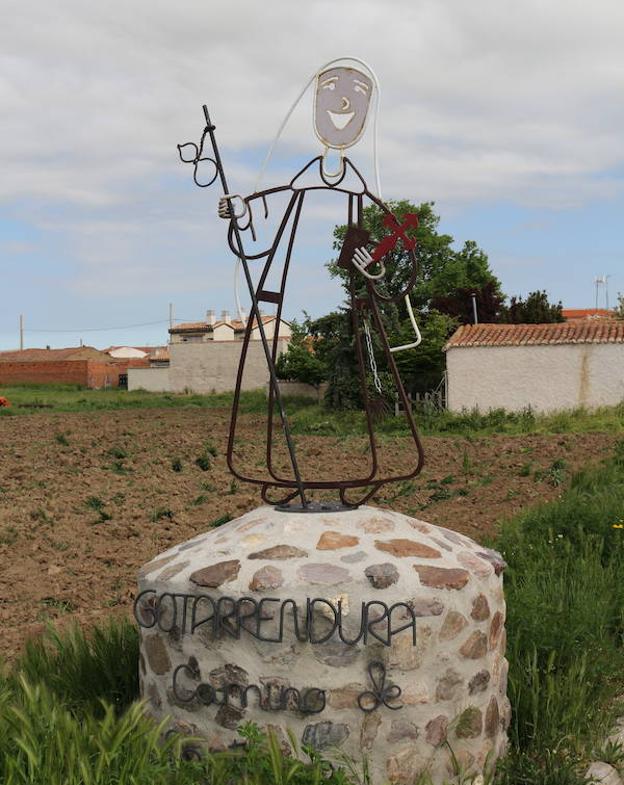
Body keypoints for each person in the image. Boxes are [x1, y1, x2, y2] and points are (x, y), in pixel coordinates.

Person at [217, 59, 424, 507]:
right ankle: (276, 470)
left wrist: (379, 267)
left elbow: (402, 252)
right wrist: (238, 213)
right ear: (313, 103)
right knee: (273, 377)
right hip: (281, 290)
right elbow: (250, 228)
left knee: (373, 378)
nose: (344, 102)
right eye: (331, 89)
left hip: (358, 307)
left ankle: (374, 469)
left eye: (357, 95)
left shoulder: (363, 195)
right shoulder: (294, 186)